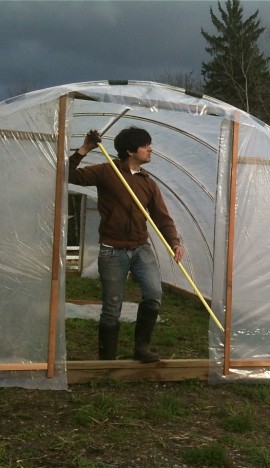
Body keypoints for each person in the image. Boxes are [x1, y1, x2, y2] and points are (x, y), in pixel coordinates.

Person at [68, 127, 184, 363]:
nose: (150, 149)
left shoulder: (148, 184)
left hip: (141, 248)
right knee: (112, 307)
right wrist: (85, 149)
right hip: (112, 251)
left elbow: (162, 217)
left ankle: (141, 348)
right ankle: (107, 360)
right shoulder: (106, 172)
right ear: (131, 150)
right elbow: (69, 176)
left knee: (153, 294)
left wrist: (174, 242)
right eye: (145, 145)